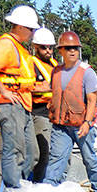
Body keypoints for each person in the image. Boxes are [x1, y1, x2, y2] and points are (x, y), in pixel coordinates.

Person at [43, 30, 97, 192]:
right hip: (61, 125)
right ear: (61, 51)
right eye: (68, 48)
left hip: (81, 125)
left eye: (75, 48)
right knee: (56, 159)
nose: (72, 51)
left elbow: (92, 100)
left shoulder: (87, 72)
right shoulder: (55, 71)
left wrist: (87, 123)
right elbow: (51, 91)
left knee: (89, 159)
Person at [0, 5, 39, 190]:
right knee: (14, 150)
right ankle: (13, 191)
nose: (32, 33)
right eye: (31, 29)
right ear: (20, 27)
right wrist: (4, 90)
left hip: (23, 104)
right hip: (9, 103)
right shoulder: (7, 44)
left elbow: (25, 79)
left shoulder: (20, 48)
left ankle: (20, 185)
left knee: (31, 152)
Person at [27, 28, 58, 182]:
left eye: (50, 47)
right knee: (42, 153)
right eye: (44, 47)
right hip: (39, 113)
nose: (48, 51)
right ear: (35, 47)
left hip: (54, 114)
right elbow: (25, 86)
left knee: (56, 153)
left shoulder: (54, 64)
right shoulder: (31, 64)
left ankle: (51, 184)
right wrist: (42, 87)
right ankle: (37, 184)